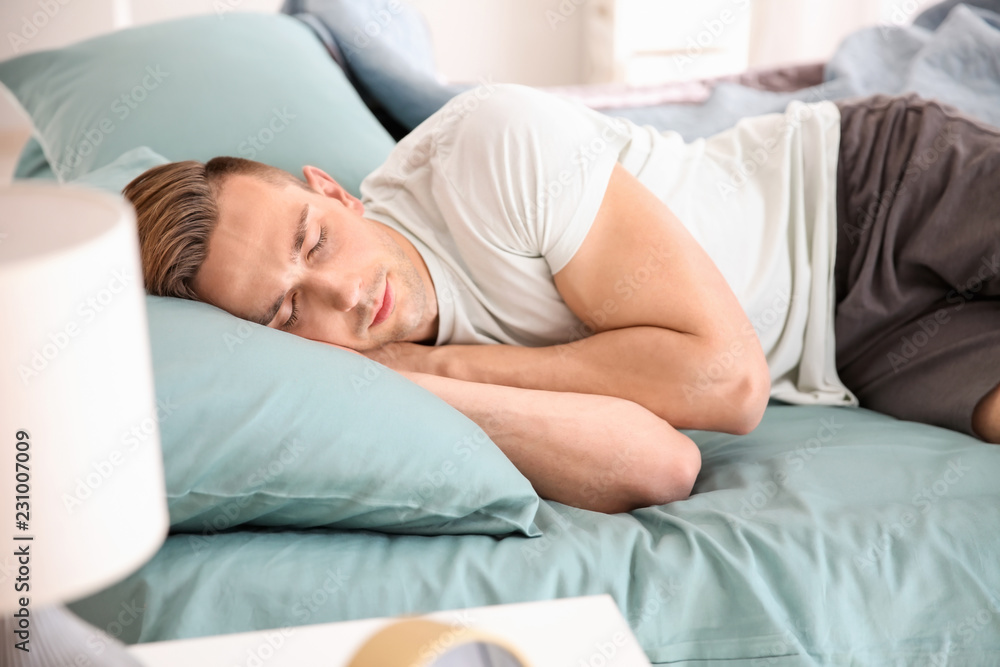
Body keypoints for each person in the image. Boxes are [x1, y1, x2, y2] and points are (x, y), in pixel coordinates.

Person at [121, 84, 1000, 513]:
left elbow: (725, 382)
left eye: (313, 239)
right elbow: (661, 464)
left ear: (333, 190)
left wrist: (431, 360)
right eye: (284, 312)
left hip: (874, 187)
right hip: (853, 349)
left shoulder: (485, 149)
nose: (345, 296)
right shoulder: (372, 383)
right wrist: (407, 383)